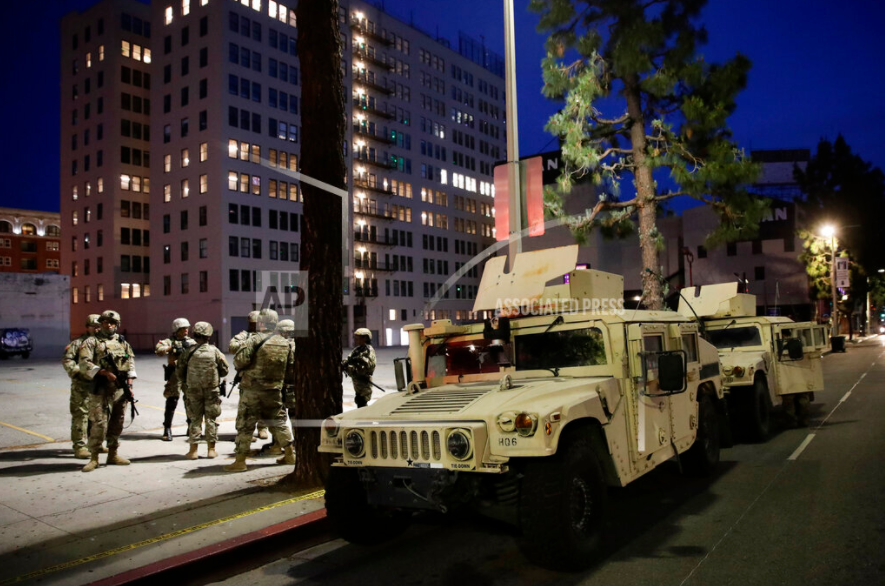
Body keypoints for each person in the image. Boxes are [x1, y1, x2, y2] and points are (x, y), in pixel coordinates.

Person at [225, 309, 296, 472]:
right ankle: (290, 455)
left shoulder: (254, 340)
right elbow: (290, 367)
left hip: (253, 390)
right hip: (275, 389)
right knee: (279, 421)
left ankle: (240, 461)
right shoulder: (284, 342)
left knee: (246, 424)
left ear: (261, 323)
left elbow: (240, 362)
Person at [78, 310, 137, 472]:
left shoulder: (123, 342)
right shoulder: (91, 342)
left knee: (117, 422)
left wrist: (129, 386)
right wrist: (104, 373)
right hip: (100, 388)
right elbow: (84, 363)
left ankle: (113, 454)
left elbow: (130, 363)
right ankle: (94, 457)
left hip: (119, 388)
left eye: (112, 323)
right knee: (99, 423)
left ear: (117, 325)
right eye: (105, 322)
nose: (109, 325)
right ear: (101, 323)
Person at [176, 322, 229, 459]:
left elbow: (180, 371)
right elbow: (224, 370)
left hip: (193, 390)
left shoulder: (188, 352)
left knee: (195, 419)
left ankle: (193, 450)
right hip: (211, 390)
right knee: (211, 419)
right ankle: (211, 449)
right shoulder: (215, 351)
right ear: (209, 336)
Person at [63, 314, 101, 458]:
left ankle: (94, 444)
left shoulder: (102, 343)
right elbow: (67, 360)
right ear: (87, 327)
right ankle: (79, 445)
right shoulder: (78, 343)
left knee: (97, 415)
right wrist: (78, 371)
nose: (97, 329)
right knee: (81, 415)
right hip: (82, 385)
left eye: (99, 327)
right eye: (94, 327)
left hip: (98, 385)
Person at [228, 310, 269, 441]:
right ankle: (246, 431)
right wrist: (249, 343)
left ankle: (262, 428)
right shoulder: (244, 335)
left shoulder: (267, 336)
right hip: (247, 375)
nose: (255, 325)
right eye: (253, 323)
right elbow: (232, 346)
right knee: (246, 406)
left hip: (264, 375)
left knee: (264, 404)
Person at [155, 318, 196, 441]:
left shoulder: (191, 341)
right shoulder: (169, 341)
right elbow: (159, 350)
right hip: (174, 374)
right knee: (172, 400)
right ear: (176, 329)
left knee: (190, 400)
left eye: (186, 328)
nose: (185, 331)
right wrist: (171, 348)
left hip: (188, 374)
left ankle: (191, 426)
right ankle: (167, 428)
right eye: (183, 329)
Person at [343, 328, 376, 408]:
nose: (356, 339)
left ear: (365, 338)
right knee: (359, 400)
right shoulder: (357, 349)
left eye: (358, 337)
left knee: (362, 402)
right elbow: (349, 359)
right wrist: (345, 363)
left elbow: (368, 366)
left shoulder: (368, 350)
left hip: (364, 383)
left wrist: (353, 364)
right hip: (357, 382)